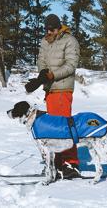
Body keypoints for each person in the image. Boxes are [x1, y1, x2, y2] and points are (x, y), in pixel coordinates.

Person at [25, 13, 81, 179]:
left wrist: (53, 75)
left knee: (64, 127)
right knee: (53, 129)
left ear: (59, 27)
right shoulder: (45, 41)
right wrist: (43, 73)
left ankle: (72, 163)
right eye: (47, 29)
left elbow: (71, 65)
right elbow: (41, 60)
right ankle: (56, 162)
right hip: (49, 90)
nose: (49, 32)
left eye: (52, 29)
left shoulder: (70, 41)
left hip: (63, 89)